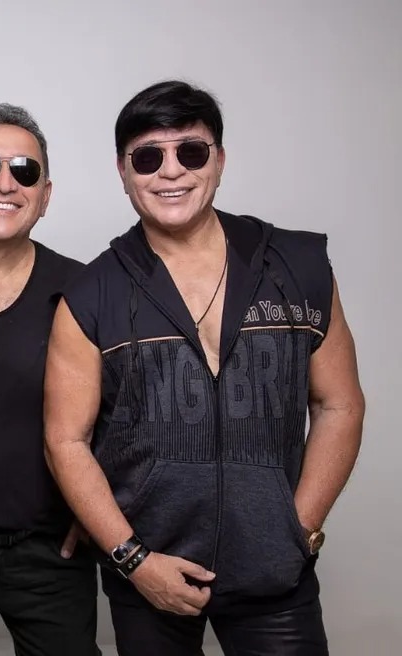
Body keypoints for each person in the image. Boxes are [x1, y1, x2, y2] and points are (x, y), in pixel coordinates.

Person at [44, 79, 365, 655]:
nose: (171, 171)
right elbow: (65, 440)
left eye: (190, 151)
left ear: (219, 160)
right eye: (148, 157)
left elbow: (339, 403)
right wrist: (132, 559)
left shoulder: (298, 265)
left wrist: (299, 529)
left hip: (277, 574)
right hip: (149, 569)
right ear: (122, 171)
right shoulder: (91, 293)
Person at [0, 103, 100, 656]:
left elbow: (127, 410)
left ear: (45, 195)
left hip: (49, 550)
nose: (4, 183)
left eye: (24, 171)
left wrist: (98, 509)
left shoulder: (82, 290)